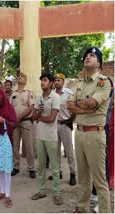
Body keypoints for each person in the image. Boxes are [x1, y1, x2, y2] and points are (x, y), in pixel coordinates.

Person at [67, 47, 111, 213]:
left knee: (99, 181)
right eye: (86, 55)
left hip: (95, 134)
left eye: (92, 55)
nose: (87, 57)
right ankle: (81, 208)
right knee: (83, 177)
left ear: (99, 63)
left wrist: (84, 105)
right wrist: (85, 107)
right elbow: (69, 105)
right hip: (79, 134)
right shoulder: (81, 83)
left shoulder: (104, 82)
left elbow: (91, 103)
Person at [31, 72, 63, 205]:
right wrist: (38, 112)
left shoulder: (55, 97)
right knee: (41, 166)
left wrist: (39, 117)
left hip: (50, 137)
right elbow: (33, 117)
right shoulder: (38, 98)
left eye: (45, 80)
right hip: (39, 135)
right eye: (41, 81)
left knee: (54, 167)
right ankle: (42, 190)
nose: (42, 83)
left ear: (50, 83)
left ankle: (57, 193)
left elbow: (51, 119)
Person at [0, 87, 17, 208]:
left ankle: (8, 194)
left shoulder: (9, 107)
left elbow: (14, 123)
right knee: (0, 167)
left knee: (6, 167)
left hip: (6, 138)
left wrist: (4, 121)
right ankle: (2, 191)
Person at [48, 73, 76, 186]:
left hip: (65, 125)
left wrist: (71, 120)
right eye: (55, 80)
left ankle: (73, 173)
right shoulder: (51, 94)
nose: (56, 82)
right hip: (54, 125)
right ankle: (57, 172)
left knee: (69, 151)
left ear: (63, 82)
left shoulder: (68, 94)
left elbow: (74, 109)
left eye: (59, 80)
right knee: (55, 151)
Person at [10, 72, 36, 178]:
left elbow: (31, 107)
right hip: (15, 123)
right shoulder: (13, 93)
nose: (20, 78)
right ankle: (16, 167)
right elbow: (10, 108)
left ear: (26, 81)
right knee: (15, 146)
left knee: (29, 146)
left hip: (26, 121)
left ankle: (31, 168)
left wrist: (19, 117)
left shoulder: (29, 92)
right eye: (19, 77)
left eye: (22, 77)